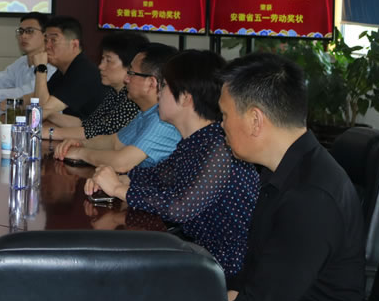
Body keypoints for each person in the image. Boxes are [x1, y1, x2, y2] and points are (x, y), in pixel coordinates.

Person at [220, 53, 364, 301]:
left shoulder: (310, 197)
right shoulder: (286, 174)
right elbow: (255, 283)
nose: (222, 125)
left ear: (255, 120)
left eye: (225, 115)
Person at [86, 49, 259, 275]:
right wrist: (113, 178)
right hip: (198, 256)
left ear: (186, 97)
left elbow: (179, 208)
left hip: (224, 269)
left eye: (164, 86)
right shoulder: (195, 142)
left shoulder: (218, 146)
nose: (158, 93)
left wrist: (118, 189)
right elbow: (154, 177)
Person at [54, 43, 180, 172]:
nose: (126, 79)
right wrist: (80, 143)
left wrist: (80, 153)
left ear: (151, 83)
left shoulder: (163, 120)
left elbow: (122, 163)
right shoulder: (146, 113)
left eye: (131, 73)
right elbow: (114, 142)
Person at [43, 31, 148, 141]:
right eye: (102, 59)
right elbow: (87, 124)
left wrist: (49, 132)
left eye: (108, 60)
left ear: (131, 66)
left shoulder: (133, 99)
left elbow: (99, 132)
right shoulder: (115, 93)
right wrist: (47, 116)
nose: (101, 66)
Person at [32, 15, 108, 121]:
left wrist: (41, 68)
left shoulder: (84, 72)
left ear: (74, 45)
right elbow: (37, 99)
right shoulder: (64, 71)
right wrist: (15, 102)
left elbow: (41, 110)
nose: (47, 46)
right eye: (45, 40)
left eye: (53, 40)